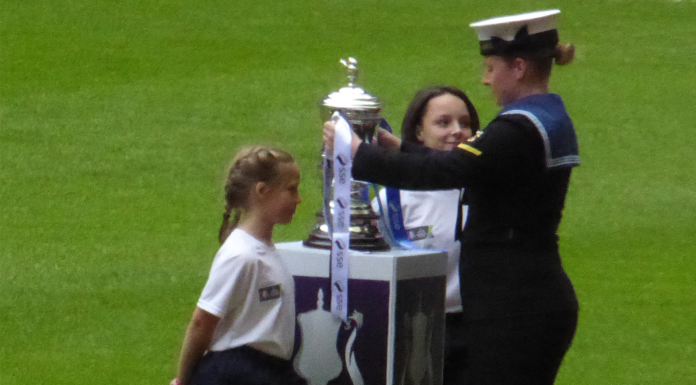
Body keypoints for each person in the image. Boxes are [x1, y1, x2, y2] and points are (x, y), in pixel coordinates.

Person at [324, 9, 579, 385]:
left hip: (514, 309)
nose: (486, 78)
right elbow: (466, 166)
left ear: (519, 67)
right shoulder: (545, 116)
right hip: (525, 300)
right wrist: (402, 150)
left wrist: (359, 155)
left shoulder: (518, 127)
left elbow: (444, 173)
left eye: (492, 68)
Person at [370, 86, 480, 382]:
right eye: (443, 123)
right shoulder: (393, 199)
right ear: (419, 132)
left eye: (465, 123)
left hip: (475, 329)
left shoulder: (485, 190)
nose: (457, 131)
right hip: (412, 328)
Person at [171, 146, 304, 385]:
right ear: (262, 191)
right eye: (291, 190)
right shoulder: (241, 255)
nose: (298, 199)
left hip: (267, 370)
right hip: (240, 373)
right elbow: (203, 321)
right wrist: (183, 380)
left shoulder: (263, 251)